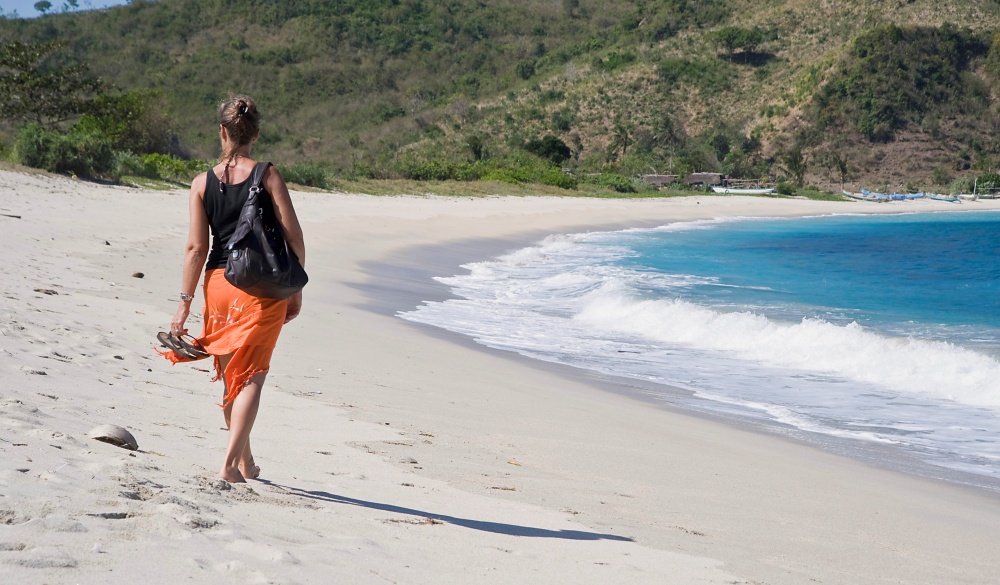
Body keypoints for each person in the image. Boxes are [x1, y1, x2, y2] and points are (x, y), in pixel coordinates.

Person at [161, 95, 305, 483]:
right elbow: (294, 238)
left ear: (222, 132)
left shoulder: (200, 183)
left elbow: (196, 248)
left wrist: (183, 305)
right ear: (254, 134)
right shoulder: (268, 175)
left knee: (231, 377)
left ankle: (245, 462)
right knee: (252, 376)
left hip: (219, 286)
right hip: (261, 287)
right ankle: (227, 465)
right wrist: (295, 288)